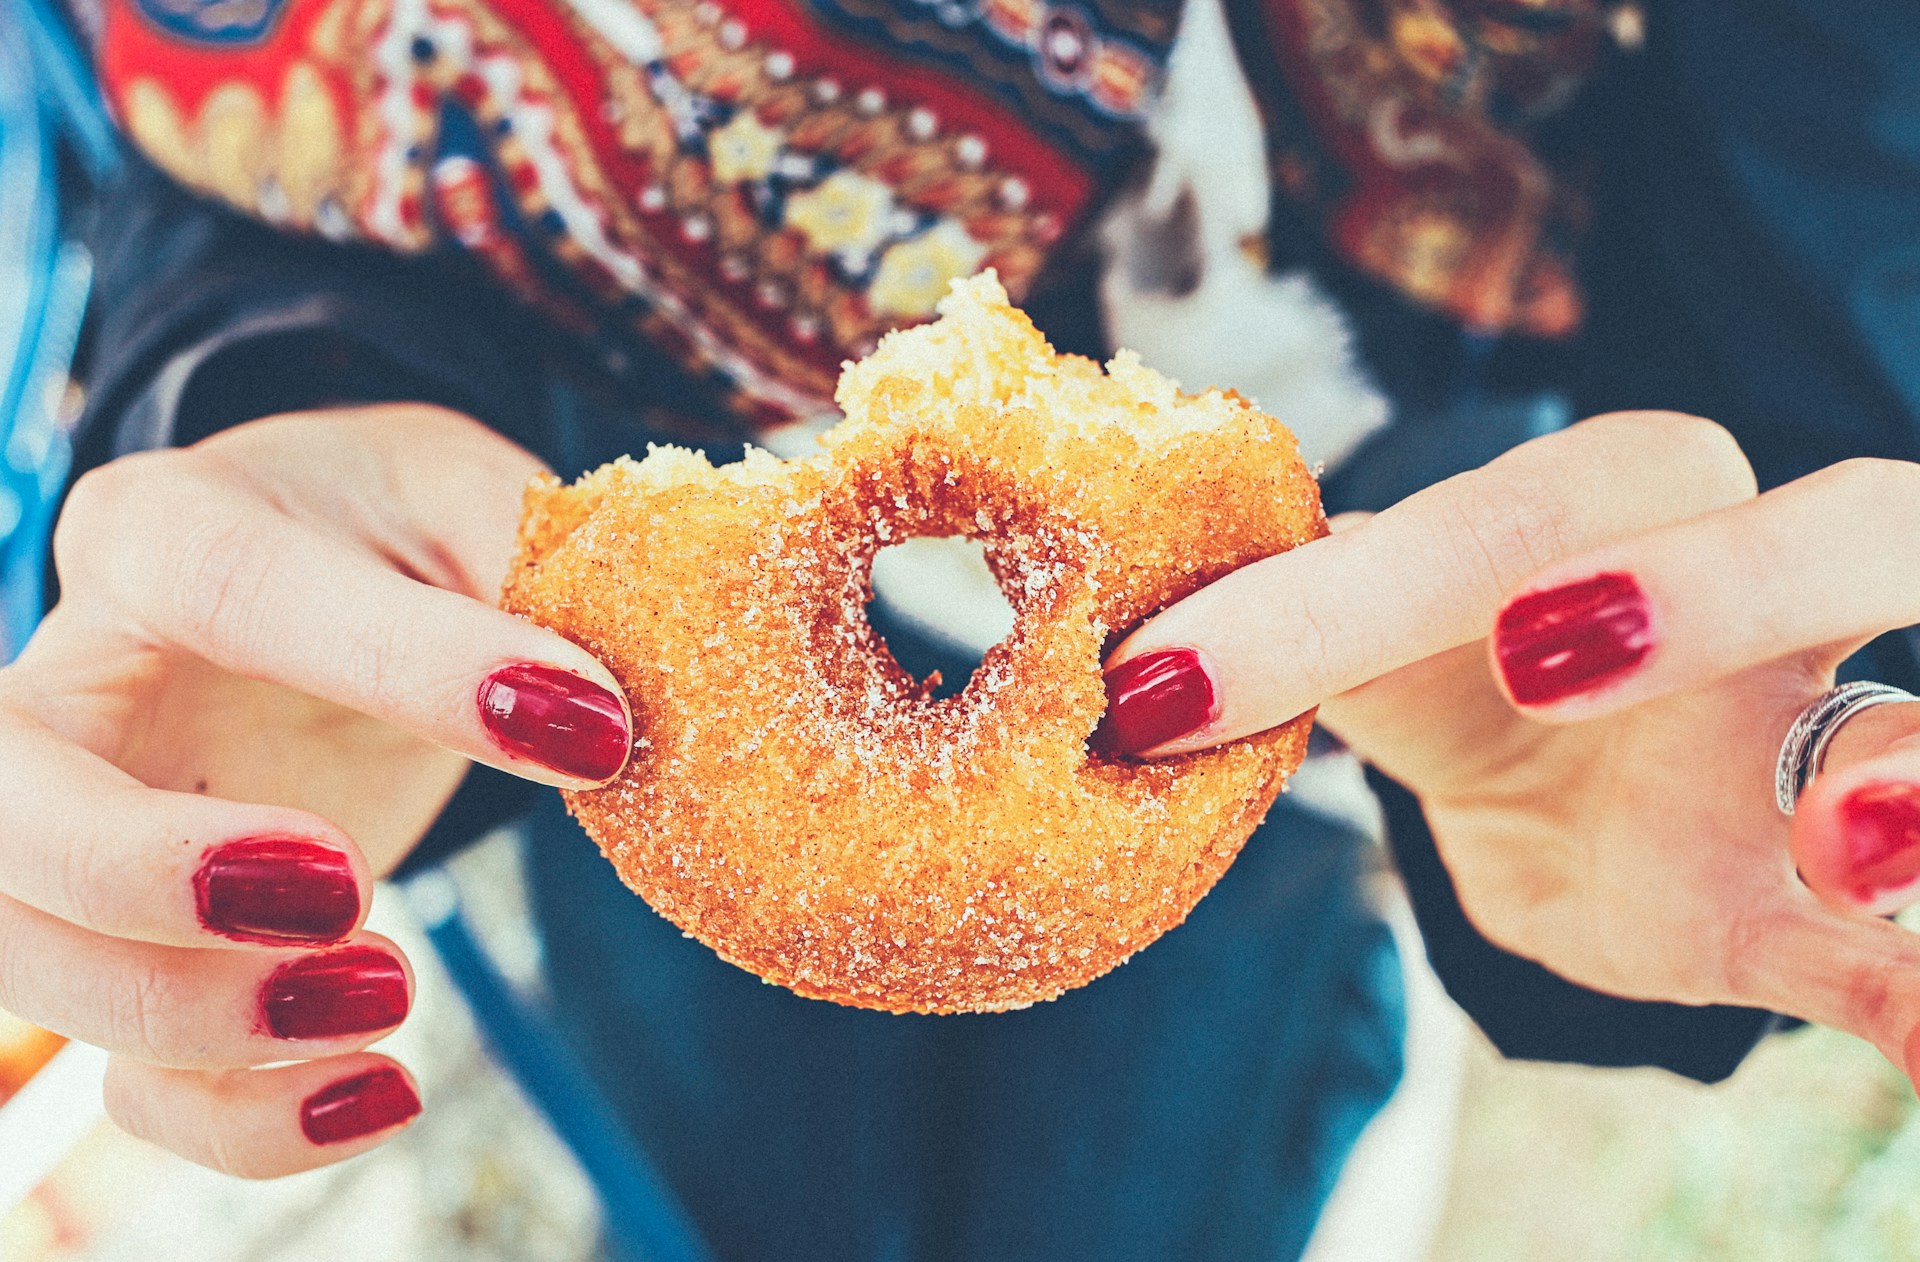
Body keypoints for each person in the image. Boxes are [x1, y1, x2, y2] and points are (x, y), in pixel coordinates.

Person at [1, 0, 1917, 1257]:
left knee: (1147, 1205)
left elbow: (1846, 209)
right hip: (640, 714)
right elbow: (228, 85)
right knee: (753, 1199)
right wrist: (272, 390)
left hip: (1305, 707)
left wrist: (1732, 619)